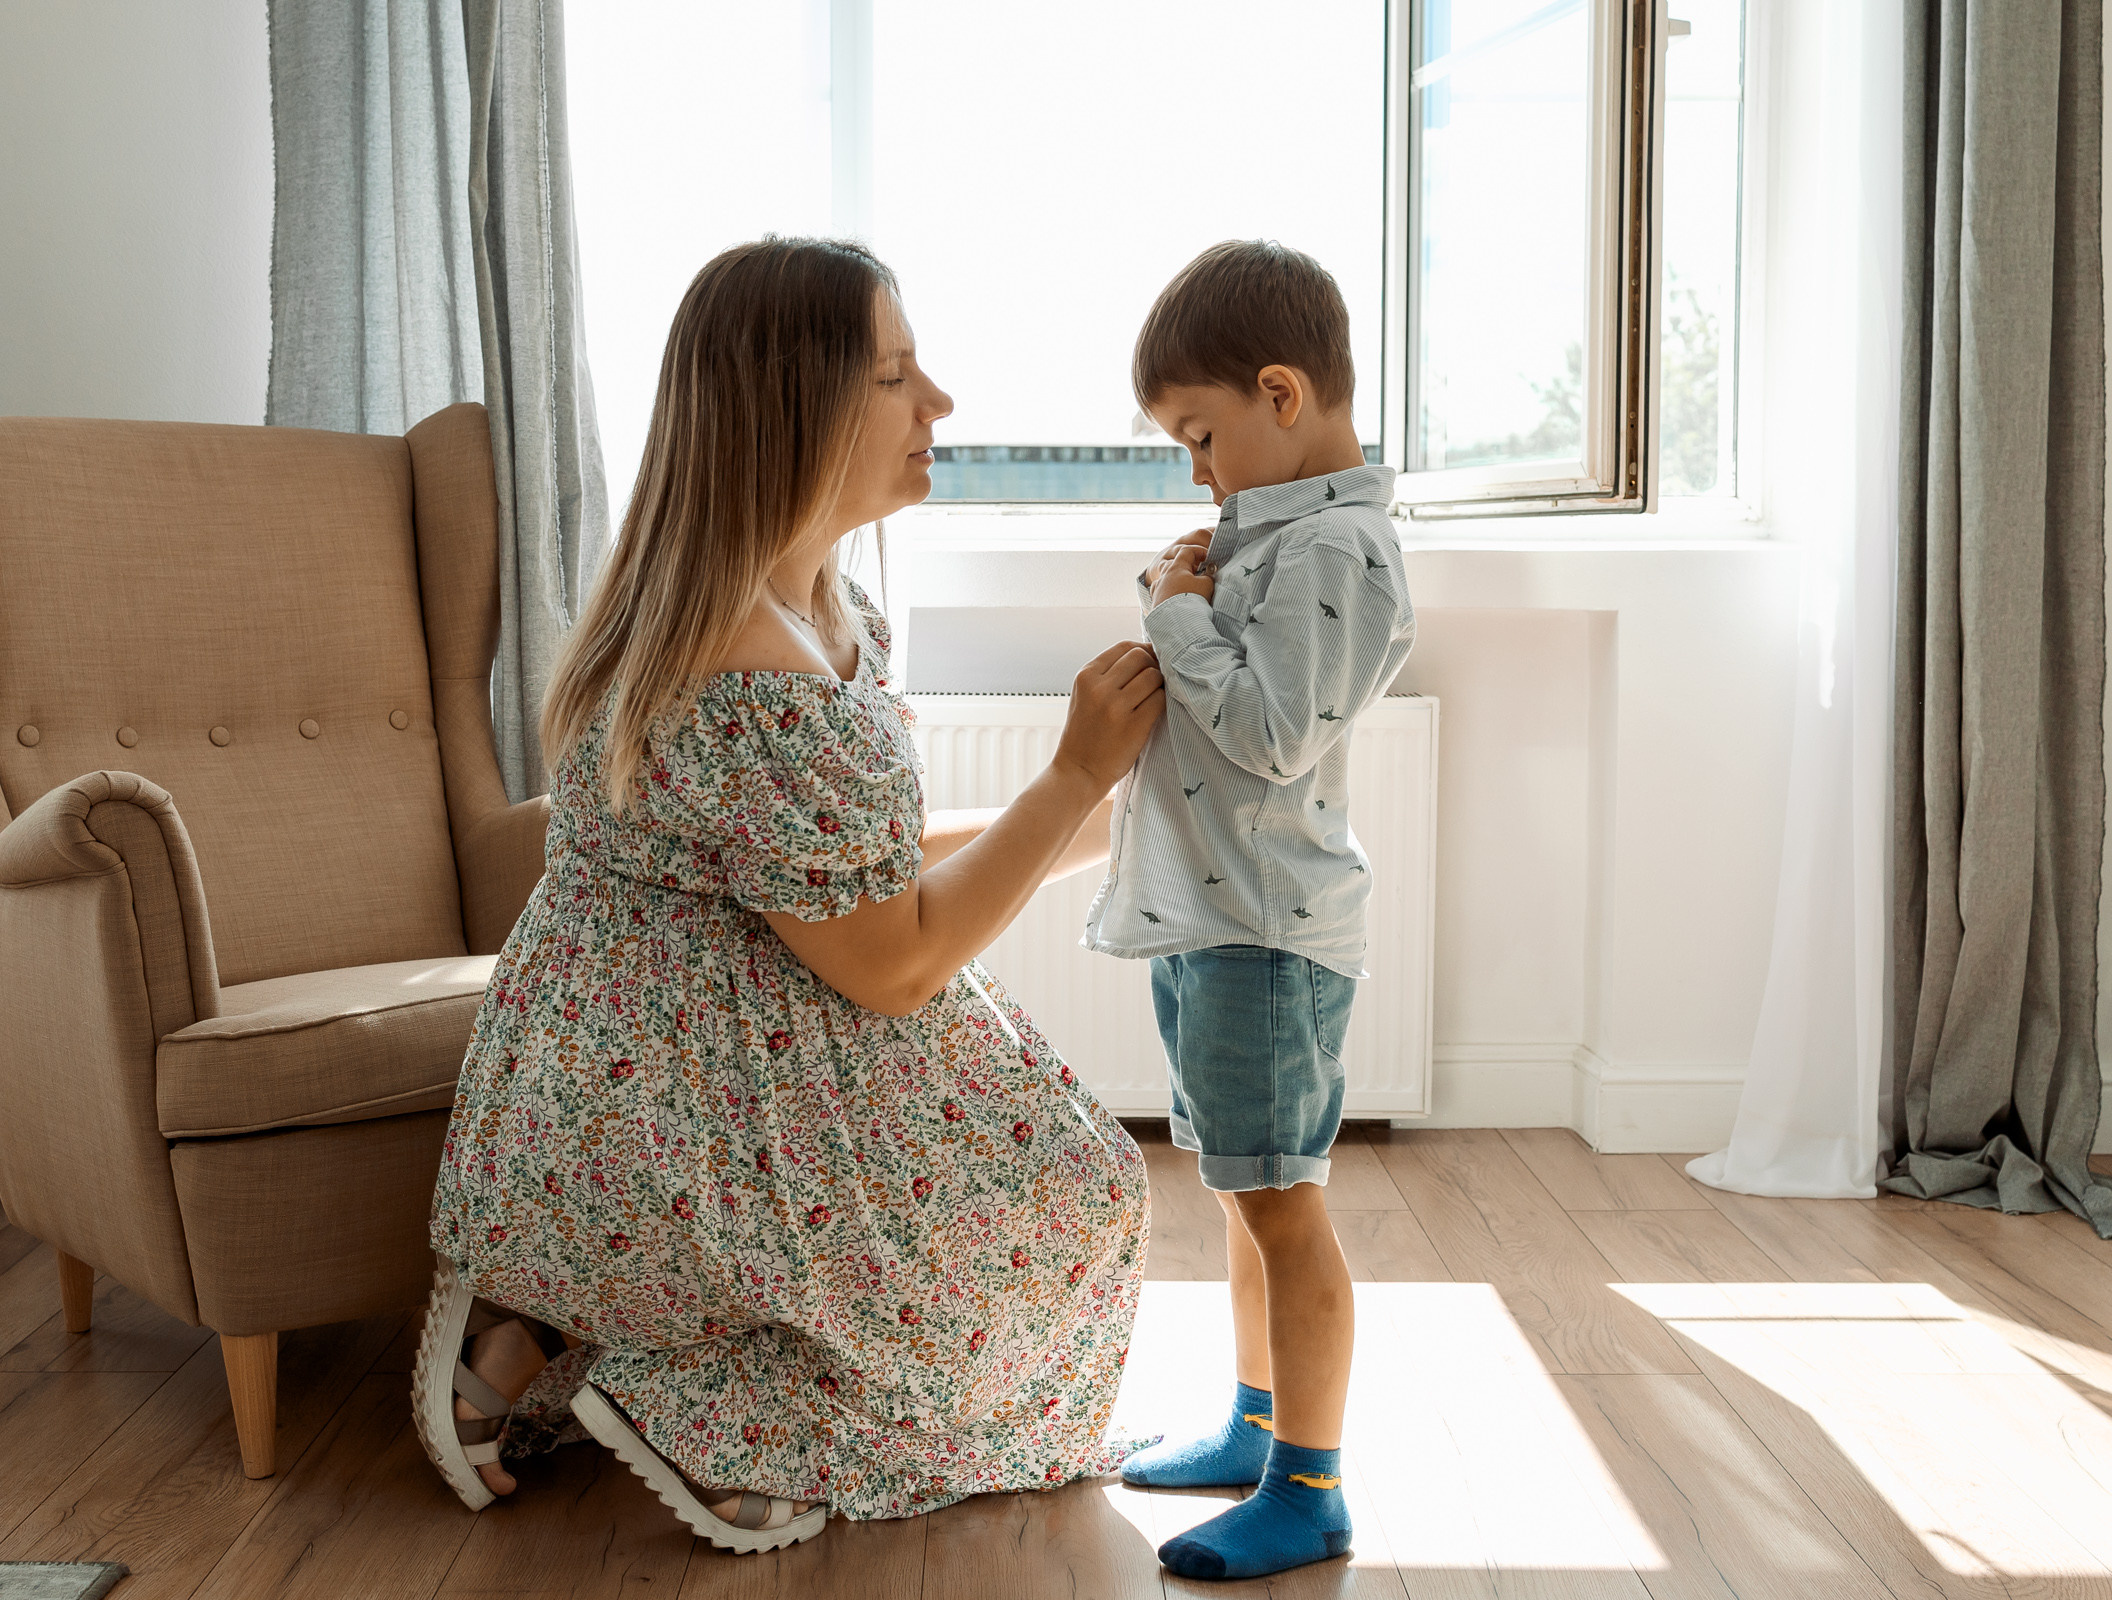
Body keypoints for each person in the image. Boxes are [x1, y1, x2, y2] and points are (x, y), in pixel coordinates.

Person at [412, 236, 1165, 1552]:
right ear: (793, 406)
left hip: (662, 1056)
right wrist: (1068, 777)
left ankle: (539, 1331)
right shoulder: (750, 666)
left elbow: (843, 862)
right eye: (895, 373)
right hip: (680, 1100)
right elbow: (888, 962)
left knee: (1071, 1186)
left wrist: (1121, 818)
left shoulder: (808, 603)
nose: (938, 403)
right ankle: (680, 1405)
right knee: (1070, 1203)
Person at [1088, 239, 1416, 1581]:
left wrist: (1174, 616)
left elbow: (1271, 734)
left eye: (1202, 435)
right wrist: (1188, 590)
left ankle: (1312, 1487)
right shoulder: (1276, 534)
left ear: (1283, 393)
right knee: (1241, 1196)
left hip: (1268, 937)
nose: (1198, 468)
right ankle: (1256, 1423)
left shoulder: (1338, 547)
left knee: (1282, 1205)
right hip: (1220, 921)